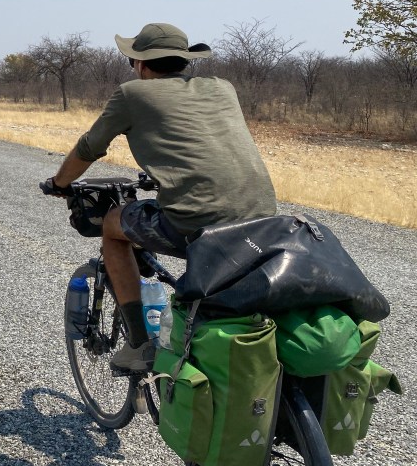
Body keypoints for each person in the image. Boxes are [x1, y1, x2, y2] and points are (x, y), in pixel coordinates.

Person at [44, 23, 276, 372]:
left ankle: (139, 345)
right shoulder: (222, 88)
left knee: (112, 224)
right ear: (183, 62)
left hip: (195, 221)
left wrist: (60, 183)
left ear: (140, 64)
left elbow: (89, 147)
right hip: (262, 216)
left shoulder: (132, 94)